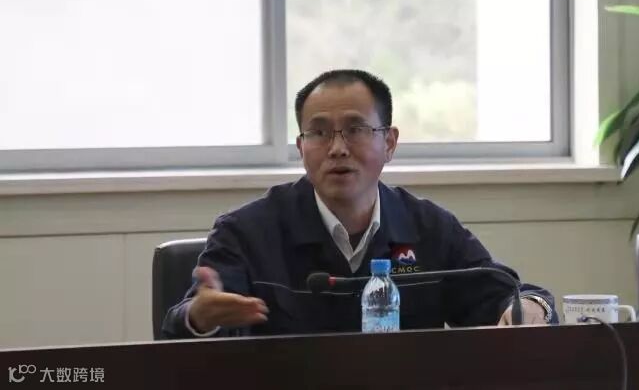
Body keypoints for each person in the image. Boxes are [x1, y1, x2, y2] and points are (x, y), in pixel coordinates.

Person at [162, 69, 556, 338]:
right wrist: (200, 317)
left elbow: (505, 295)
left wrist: (531, 306)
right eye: (319, 133)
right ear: (301, 147)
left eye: (355, 129)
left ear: (390, 143)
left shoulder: (428, 228)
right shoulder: (246, 231)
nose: (337, 148)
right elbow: (183, 324)